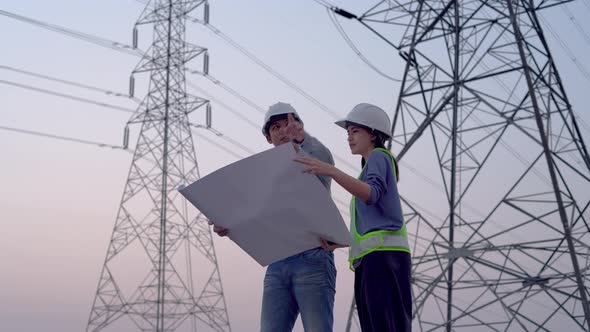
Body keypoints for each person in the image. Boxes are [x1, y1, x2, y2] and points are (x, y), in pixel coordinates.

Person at [212, 102, 337, 332]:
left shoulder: (315, 155)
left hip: (314, 260)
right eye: (275, 128)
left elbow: (323, 157)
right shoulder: (262, 177)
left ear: (299, 127)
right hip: (278, 265)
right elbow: (253, 217)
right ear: (268, 138)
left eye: (289, 124)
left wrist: (302, 139)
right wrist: (228, 226)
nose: (283, 131)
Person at [295, 103, 412, 332]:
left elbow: (371, 194)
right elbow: (373, 227)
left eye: (355, 131)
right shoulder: (369, 168)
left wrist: (332, 171)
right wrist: (340, 241)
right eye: (348, 132)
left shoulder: (379, 157)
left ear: (373, 134)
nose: (349, 137)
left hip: (384, 260)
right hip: (372, 260)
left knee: (384, 326)